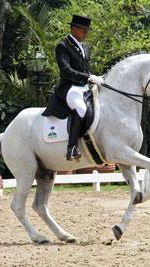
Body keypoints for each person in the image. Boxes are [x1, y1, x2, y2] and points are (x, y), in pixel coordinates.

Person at [42, 15, 103, 161]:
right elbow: (66, 71)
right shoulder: (63, 46)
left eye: (87, 31)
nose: (86, 34)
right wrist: (87, 77)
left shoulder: (85, 48)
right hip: (69, 87)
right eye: (84, 30)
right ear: (74, 29)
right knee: (81, 108)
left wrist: (96, 77)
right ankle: (71, 148)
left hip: (84, 87)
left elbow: (85, 69)